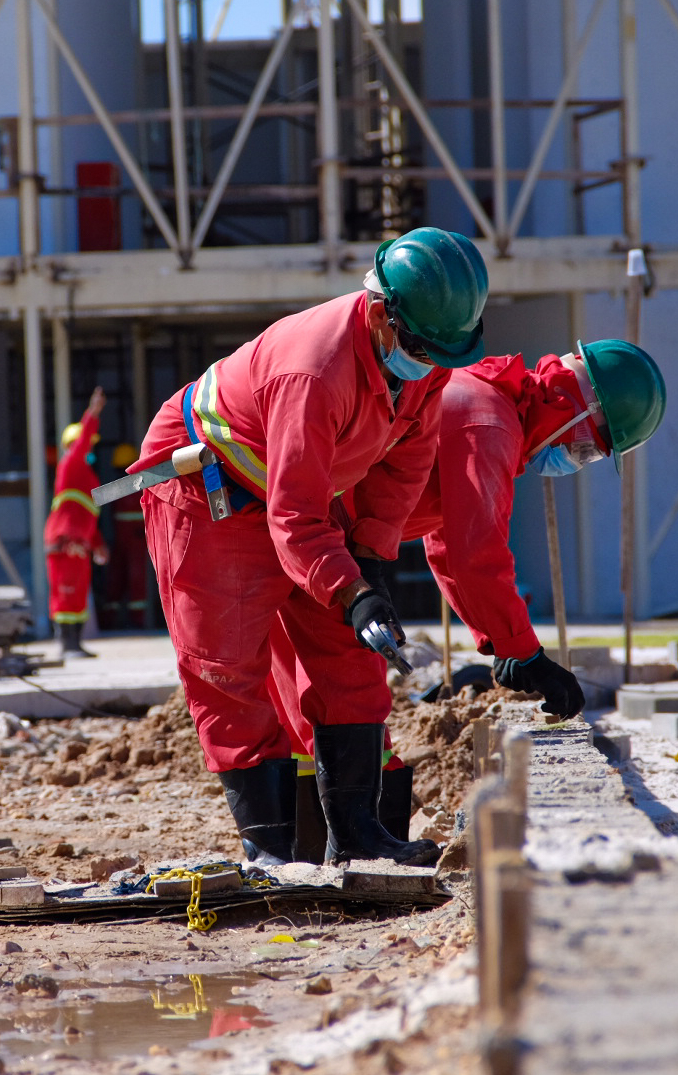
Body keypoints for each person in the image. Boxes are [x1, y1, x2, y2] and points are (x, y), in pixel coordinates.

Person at [135, 227, 488, 868]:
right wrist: (351, 590)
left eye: (442, 354)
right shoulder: (314, 370)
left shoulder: (421, 363)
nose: (430, 364)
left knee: (350, 656)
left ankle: (357, 837)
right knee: (228, 666)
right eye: (419, 347)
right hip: (208, 488)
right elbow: (294, 520)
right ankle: (268, 848)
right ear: (382, 313)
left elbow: (405, 467)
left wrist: (371, 566)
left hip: (298, 487)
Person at [270, 339, 666, 855]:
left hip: (306, 536)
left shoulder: (481, 400)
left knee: (311, 702)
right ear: (572, 406)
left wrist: (499, 641)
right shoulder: (489, 423)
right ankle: (357, 854)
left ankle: (315, 855)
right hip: (322, 540)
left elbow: (445, 546)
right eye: (587, 448)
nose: (575, 460)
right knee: (348, 691)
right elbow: (477, 553)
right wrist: (524, 651)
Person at [46, 387, 109, 658]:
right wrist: (93, 412)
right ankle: (66, 644)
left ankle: (75, 643)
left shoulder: (87, 477)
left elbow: (87, 517)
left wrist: (98, 545)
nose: (90, 447)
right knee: (66, 591)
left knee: (79, 592)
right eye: (87, 443)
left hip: (79, 543)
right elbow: (82, 440)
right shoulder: (70, 465)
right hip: (64, 543)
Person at [101, 443, 151, 629]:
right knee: (124, 578)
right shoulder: (133, 486)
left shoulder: (132, 486)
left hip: (131, 539)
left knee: (130, 578)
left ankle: (133, 619)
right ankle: (125, 618)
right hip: (128, 539)